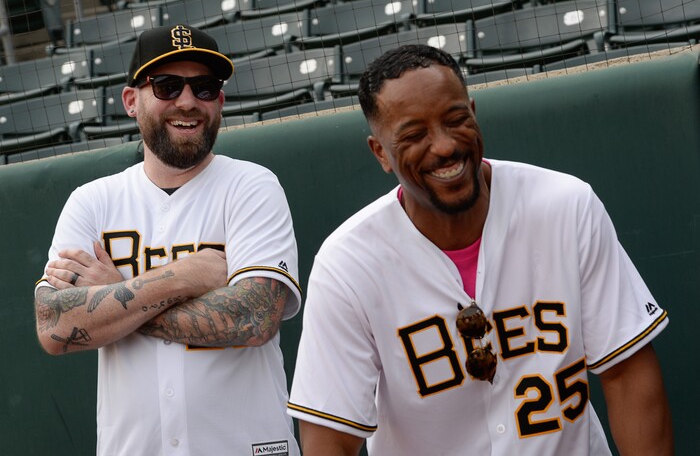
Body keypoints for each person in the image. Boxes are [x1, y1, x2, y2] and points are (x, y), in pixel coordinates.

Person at [287, 44, 673, 455]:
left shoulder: (566, 205)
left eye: (456, 120)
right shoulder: (347, 263)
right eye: (414, 135)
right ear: (380, 151)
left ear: (473, 111)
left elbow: (628, 376)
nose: (444, 146)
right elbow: (330, 440)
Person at [34, 24, 302, 456]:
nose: (187, 101)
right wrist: (183, 277)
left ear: (221, 100)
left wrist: (112, 296)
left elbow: (255, 318)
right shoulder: (92, 201)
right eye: (166, 85)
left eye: (204, 87)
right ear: (130, 101)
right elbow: (55, 326)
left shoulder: (252, 186)